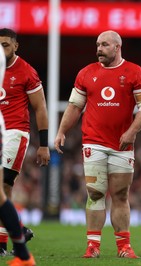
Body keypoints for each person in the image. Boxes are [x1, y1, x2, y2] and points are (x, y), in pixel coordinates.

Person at [54, 30, 141, 259]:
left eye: (104, 44)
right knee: (95, 192)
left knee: (120, 194)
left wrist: (131, 132)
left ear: (117, 47)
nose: (99, 48)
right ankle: (93, 246)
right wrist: (61, 131)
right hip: (94, 142)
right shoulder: (86, 73)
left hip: (122, 145)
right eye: (98, 44)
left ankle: (123, 247)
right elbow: (74, 106)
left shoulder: (134, 72)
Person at [0, 28, 50, 255]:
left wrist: (43, 143)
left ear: (15, 46)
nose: (2, 49)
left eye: (6, 45)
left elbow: (40, 107)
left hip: (14, 133)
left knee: (3, 185)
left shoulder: (26, 72)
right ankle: (19, 230)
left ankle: (1, 244)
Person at [0, 44, 36, 266]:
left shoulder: (22, 68)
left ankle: (20, 250)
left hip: (10, 128)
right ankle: (21, 246)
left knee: (3, 189)